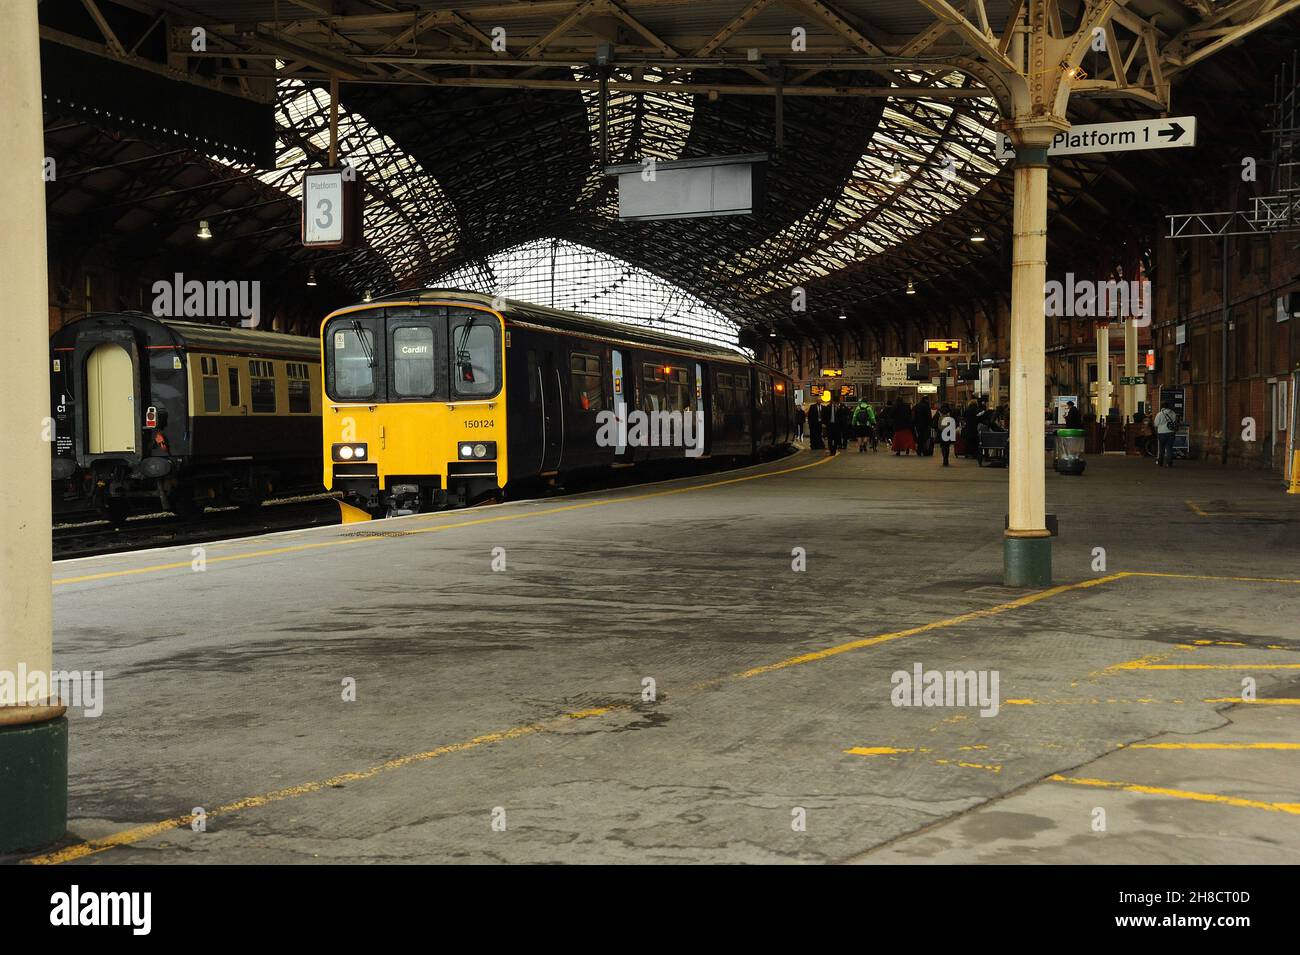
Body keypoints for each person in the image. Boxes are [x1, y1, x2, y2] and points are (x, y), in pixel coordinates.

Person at [1153, 400, 1179, 467]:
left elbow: (1156, 424)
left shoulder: (1159, 414)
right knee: (1169, 448)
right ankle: (1169, 463)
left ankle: (1160, 462)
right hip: (1171, 432)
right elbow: (1175, 421)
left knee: (1161, 448)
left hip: (1162, 433)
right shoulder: (1173, 413)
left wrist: (1157, 430)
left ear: (1162, 407)